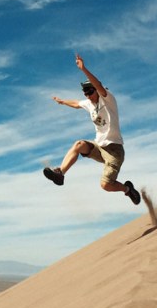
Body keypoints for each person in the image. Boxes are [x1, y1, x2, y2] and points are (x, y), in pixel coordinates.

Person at [43, 52, 141, 205]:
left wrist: (83, 69)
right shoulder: (89, 103)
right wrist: (62, 102)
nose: (87, 95)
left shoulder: (107, 99)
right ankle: (60, 173)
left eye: (90, 91)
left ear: (96, 90)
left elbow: (98, 85)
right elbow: (76, 103)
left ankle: (128, 190)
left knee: (105, 185)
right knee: (79, 145)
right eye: (85, 92)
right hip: (100, 148)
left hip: (115, 151)